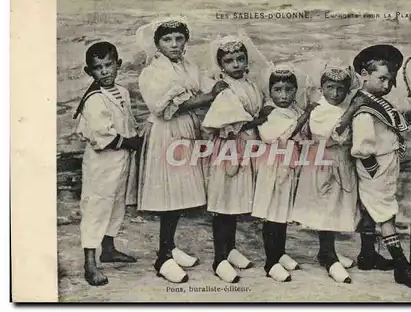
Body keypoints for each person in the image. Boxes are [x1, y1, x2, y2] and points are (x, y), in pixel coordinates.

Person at [135, 18, 225, 283]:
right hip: (166, 133)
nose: (174, 45)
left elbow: (206, 84)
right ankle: (162, 257)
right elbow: (164, 108)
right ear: (158, 44)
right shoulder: (152, 73)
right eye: (167, 40)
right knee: (168, 195)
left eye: (179, 39)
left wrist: (220, 85)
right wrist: (209, 97)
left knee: (179, 194)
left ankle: (170, 246)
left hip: (185, 131)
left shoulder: (188, 66)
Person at [350, 44, 411, 290]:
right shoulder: (364, 109)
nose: (386, 85)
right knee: (385, 213)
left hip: (384, 164)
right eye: (381, 78)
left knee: (372, 211)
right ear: (364, 74)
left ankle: (367, 255)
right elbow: (362, 147)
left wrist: (409, 117)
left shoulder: (377, 103)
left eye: (390, 80)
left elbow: (388, 125)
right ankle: (402, 267)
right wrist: (374, 171)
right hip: (375, 167)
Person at [202, 34, 270, 283]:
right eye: (230, 61)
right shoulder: (224, 89)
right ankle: (219, 259)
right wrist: (259, 120)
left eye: (240, 59)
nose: (236, 65)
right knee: (223, 205)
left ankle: (230, 249)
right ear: (221, 65)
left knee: (235, 202)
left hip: (246, 145)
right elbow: (232, 122)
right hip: (229, 147)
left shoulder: (250, 85)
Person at [74, 41, 140, 286]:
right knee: (97, 207)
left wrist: (134, 140)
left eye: (108, 65)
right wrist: (131, 142)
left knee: (116, 204)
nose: (104, 71)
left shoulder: (121, 92)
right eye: (97, 67)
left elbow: (127, 122)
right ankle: (90, 262)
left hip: (120, 161)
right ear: (89, 72)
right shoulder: (94, 99)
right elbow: (102, 134)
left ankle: (109, 248)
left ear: (118, 65)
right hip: (102, 163)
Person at [291, 62, 363, 283]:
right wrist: (352, 110)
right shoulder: (319, 109)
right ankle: (329, 257)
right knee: (326, 208)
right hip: (323, 163)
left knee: (336, 206)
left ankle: (325, 252)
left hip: (340, 162)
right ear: (322, 87)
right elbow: (334, 132)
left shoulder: (340, 108)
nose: (335, 93)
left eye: (341, 89)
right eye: (330, 87)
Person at [252, 64, 314, 282]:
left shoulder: (294, 110)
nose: (284, 95)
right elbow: (282, 135)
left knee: (282, 213)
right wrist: (306, 115)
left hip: (289, 165)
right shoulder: (269, 113)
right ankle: (271, 262)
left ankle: (280, 253)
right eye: (278, 90)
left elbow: (303, 135)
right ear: (271, 91)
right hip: (273, 166)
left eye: (288, 90)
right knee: (272, 215)